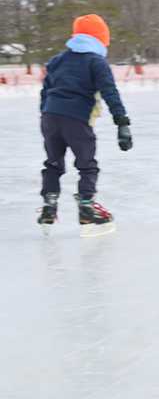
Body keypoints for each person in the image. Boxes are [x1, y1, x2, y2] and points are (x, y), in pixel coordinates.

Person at [37, 14, 132, 236]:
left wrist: (46, 114)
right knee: (87, 165)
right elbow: (110, 93)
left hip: (50, 118)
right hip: (76, 120)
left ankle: (49, 207)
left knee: (53, 164)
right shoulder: (96, 62)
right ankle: (87, 210)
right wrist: (122, 123)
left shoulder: (57, 59)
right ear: (101, 39)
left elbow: (45, 91)